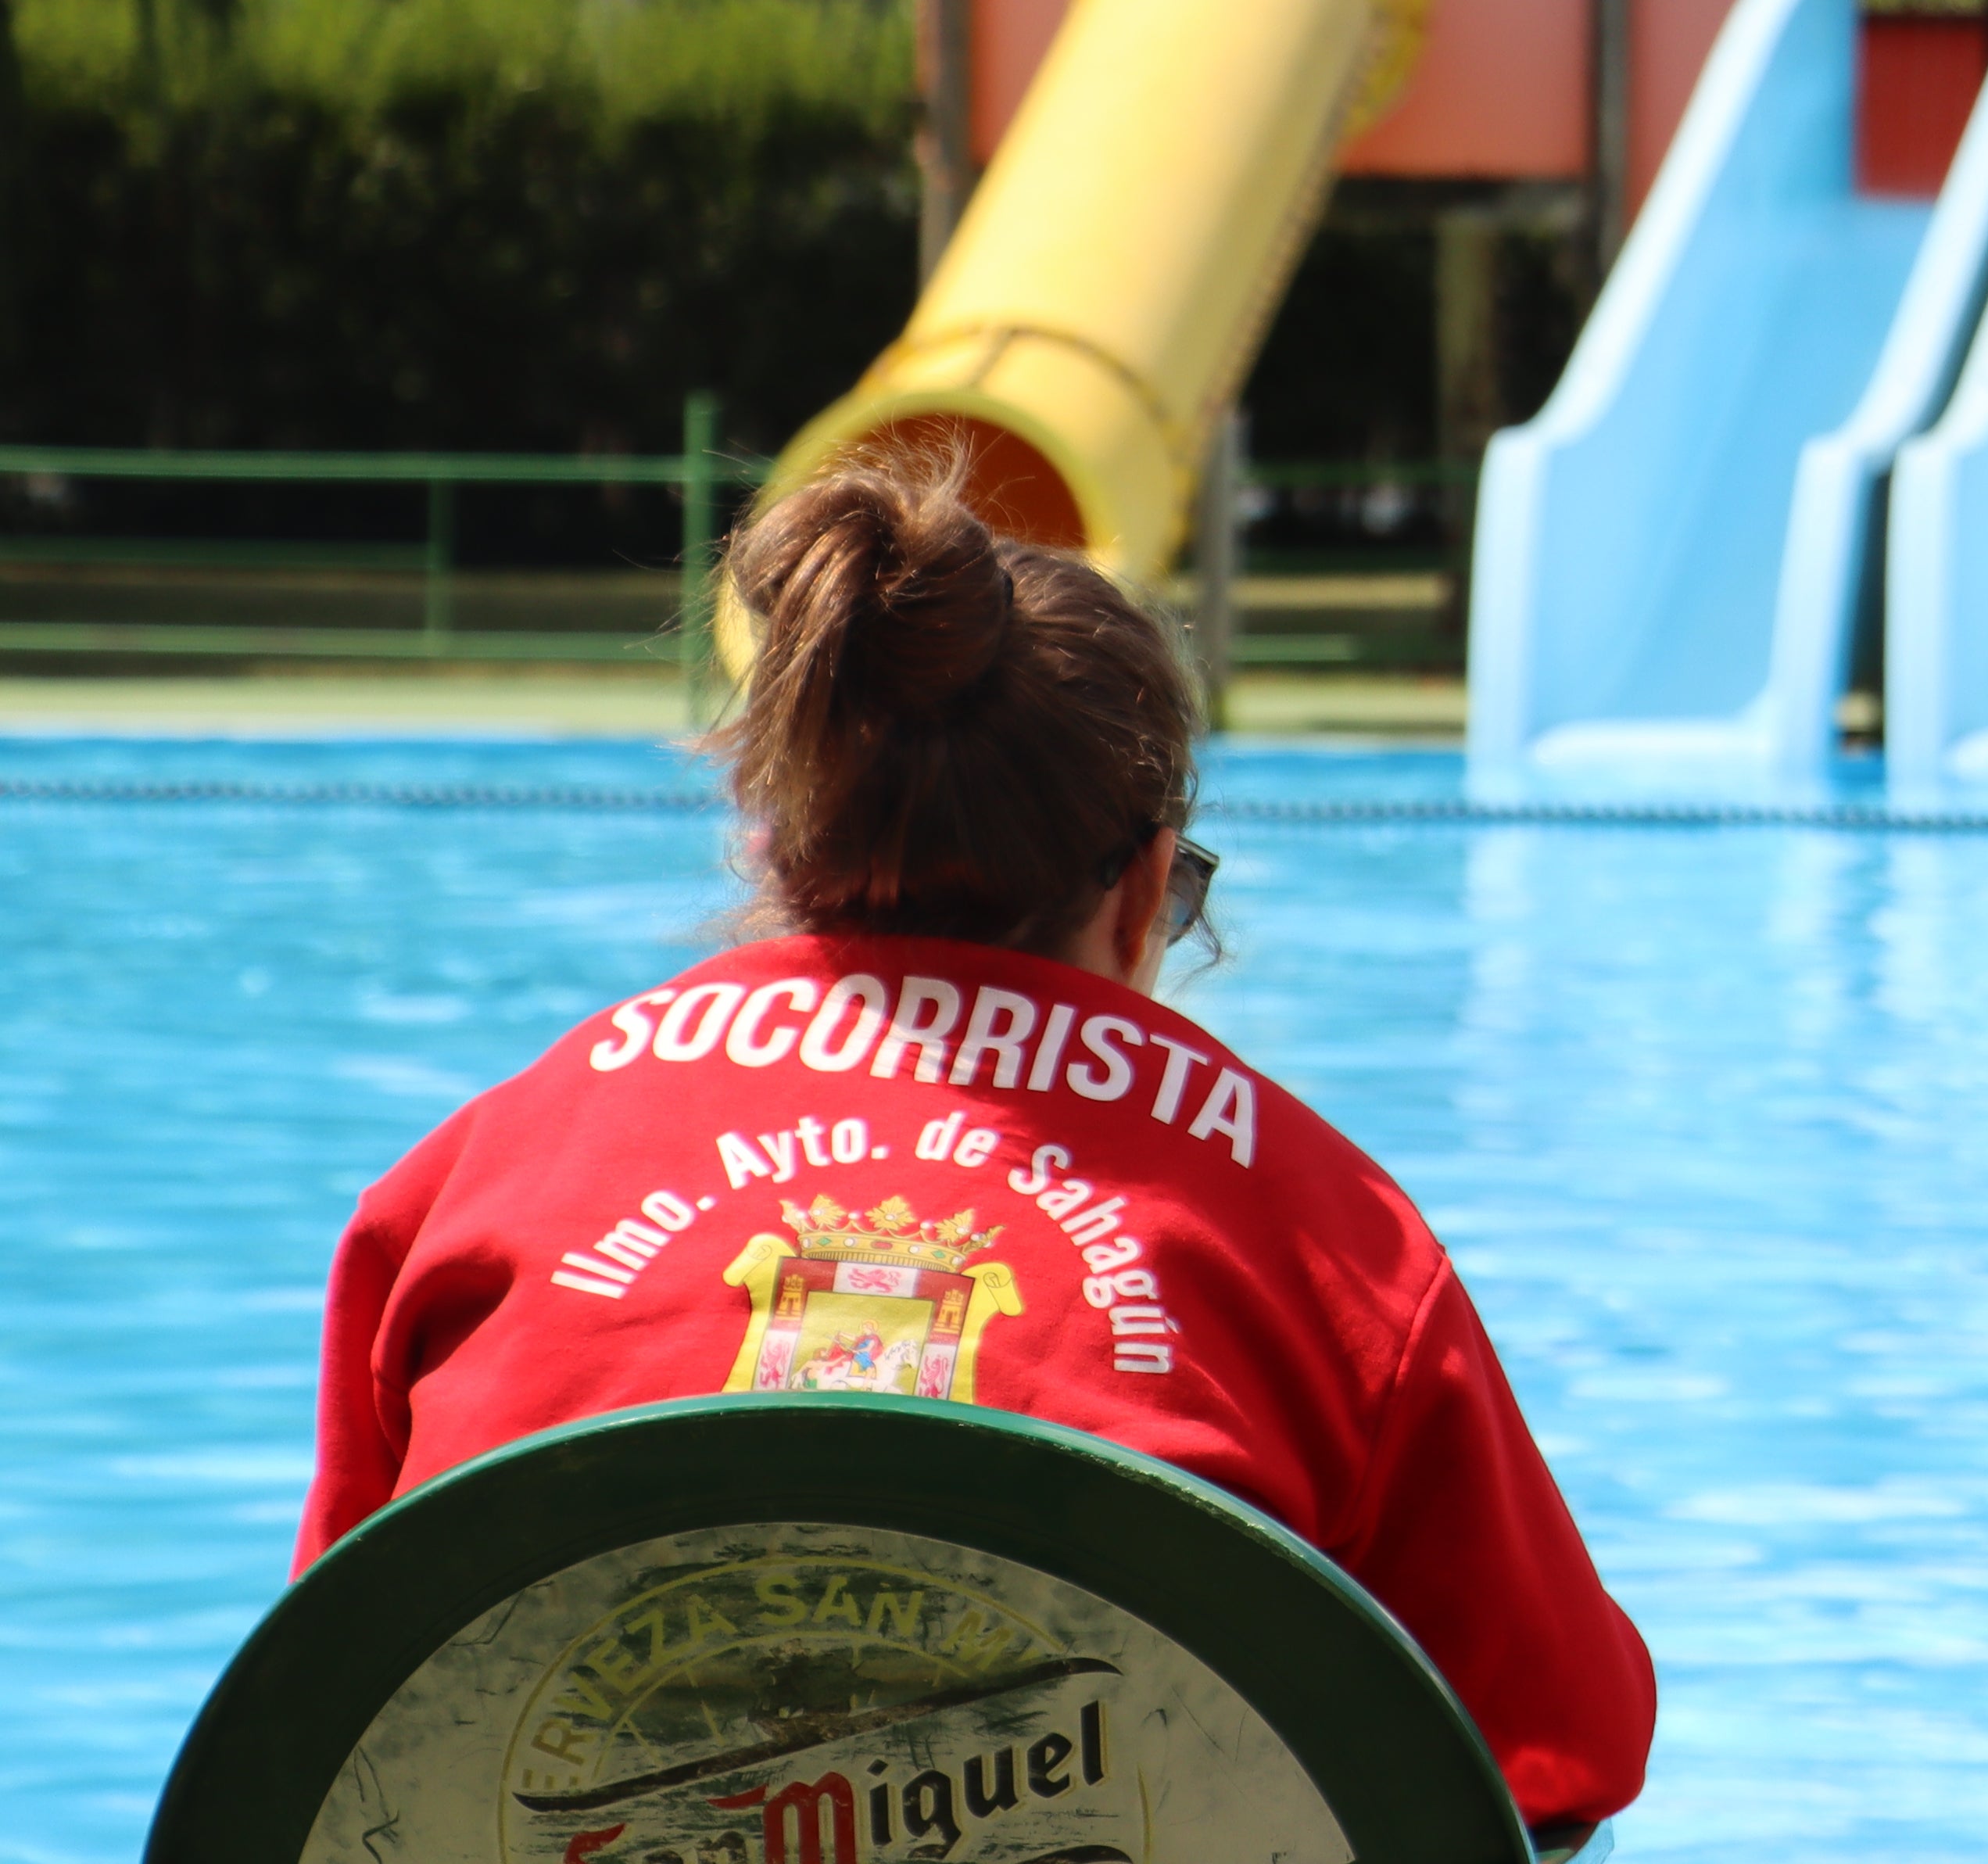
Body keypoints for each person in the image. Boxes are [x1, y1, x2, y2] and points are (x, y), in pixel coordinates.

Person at [298, 457, 1653, 1841]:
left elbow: (337, 1715)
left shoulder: (475, 1177)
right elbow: (1558, 1759)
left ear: (773, 849)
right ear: (1140, 889)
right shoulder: (1330, 1240)